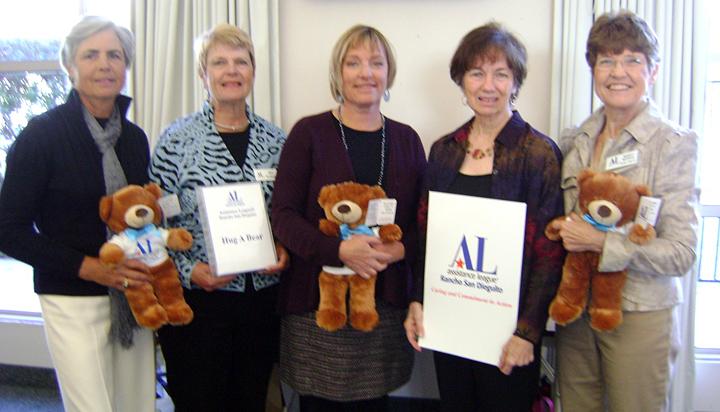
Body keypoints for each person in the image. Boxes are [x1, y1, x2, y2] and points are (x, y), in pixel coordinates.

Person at [403, 22, 565, 411]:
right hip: (451, 322)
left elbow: (549, 253)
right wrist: (417, 301)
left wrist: (528, 332)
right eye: (477, 73)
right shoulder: (443, 151)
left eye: (500, 73)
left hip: (509, 336)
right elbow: (427, 239)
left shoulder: (538, 153)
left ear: (516, 82)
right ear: (461, 81)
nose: (487, 85)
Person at [0, 16, 155, 412]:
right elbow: (8, 229)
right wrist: (88, 267)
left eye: (114, 55)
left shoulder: (135, 139)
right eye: (91, 55)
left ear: (125, 66)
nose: (104, 64)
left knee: (135, 404)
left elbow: (143, 217)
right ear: (70, 67)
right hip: (72, 296)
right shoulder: (41, 135)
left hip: (131, 293)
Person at [271, 25, 426, 411]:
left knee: (374, 403)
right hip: (318, 308)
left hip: (382, 310)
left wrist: (399, 250)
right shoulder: (309, 133)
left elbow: (425, 224)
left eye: (376, 62)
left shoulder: (407, 140)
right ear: (338, 74)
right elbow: (283, 216)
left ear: (389, 73)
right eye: (353, 62)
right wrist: (339, 250)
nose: (365, 72)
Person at [550, 11, 700, 412]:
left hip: (639, 313)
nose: (619, 71)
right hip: (577, 313)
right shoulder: (575, 140)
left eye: (633, 59)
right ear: (593, 70)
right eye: (607, 60)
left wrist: (603, 242)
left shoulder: (672, 144)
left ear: (652, 71)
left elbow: (682, 252)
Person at [148, 24, 288, 412]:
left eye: (241, 61)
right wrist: (190, 269)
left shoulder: (277, 142)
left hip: (260, 300)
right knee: (199, 400)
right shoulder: (175, 142)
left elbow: (288, 215)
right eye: (219, 62)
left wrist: (284, 249)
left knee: (250, 399)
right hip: (199, 301)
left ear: (253, 73)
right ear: (203, 74)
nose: (231, 71)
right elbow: (155, 227)